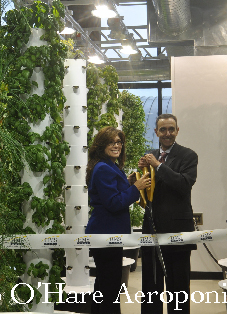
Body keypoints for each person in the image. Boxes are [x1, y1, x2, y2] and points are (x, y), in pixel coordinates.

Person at [86, 126, 151, 314]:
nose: (116, 145)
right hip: (106, 233)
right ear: (101, 145)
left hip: (108, 234)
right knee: (110, 286)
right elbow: (113, 203)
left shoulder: (108, 165)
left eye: (119, 142)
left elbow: (113, 191)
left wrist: (128, 182)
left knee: (106, 284)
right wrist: (136, 188)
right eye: (111, 142)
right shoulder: (104, 168)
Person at [138, 114, 198, 314]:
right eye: (163, 129)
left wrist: (158, 166)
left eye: (171, 129)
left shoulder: (188, 156)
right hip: (151, 231)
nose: (167, 133)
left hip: (178, 232)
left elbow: (183, 184)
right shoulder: (149, 155)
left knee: (178, 288)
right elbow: (146, 193)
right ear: (156, 132)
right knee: (150, 288)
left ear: (177, 130)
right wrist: (135, 179)